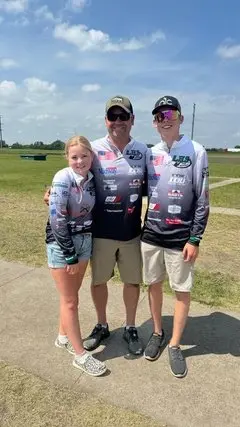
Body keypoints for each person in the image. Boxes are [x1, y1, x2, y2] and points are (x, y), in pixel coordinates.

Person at [141, 96, 209, 377]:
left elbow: (203, 199)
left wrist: (194, 239)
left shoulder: (196, 150)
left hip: (181, 238)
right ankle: (157, 332)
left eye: (169, 113)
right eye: (159, 115)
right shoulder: (150, 152)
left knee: (181, 290)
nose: (164, 119)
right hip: (151, 235)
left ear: (180, 117)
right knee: (153, 285)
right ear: (154, 123)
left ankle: (175, 345)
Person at [83, 96, 148, 355]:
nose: (118, 122)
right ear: (105, 120)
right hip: (101, 233)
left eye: (123, 116)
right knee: (99, 281)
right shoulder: (94, 149)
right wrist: (55, 192)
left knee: (132, 282)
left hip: (131, 232)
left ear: (132, 120)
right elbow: (76, 175)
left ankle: (131, 326)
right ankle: (102, 325)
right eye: (113, 116)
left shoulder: (144, 151)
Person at [46, 135, 107, 377]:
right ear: (67, 158)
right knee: (70, 301)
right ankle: (81, 356)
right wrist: (69, 254)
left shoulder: (92, 179)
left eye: (84, 156)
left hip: (85, 241)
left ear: (92, 157)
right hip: (63, 246)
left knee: (70, 297)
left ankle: (63, 337)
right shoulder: (63, 177)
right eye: (74, 157)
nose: (79, 161)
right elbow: (57, 218)